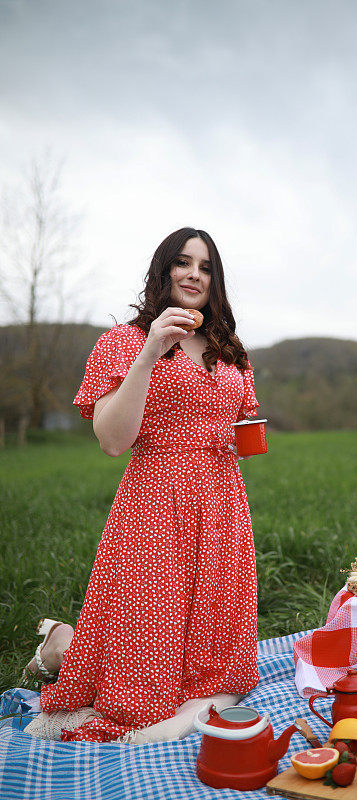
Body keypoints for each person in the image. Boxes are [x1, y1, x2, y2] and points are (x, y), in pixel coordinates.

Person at [25, 227, 260, 742]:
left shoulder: (229, 350)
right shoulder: (125, 341)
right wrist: (153, 347)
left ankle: (79, 642)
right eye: (182, 263)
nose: (194, 274)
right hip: (155, 502)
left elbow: (239, 427)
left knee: (212, 641)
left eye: (204, 266)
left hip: (221, 504)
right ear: (163, 270)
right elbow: (112, 439)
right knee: (141, 653)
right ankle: (60, 646)